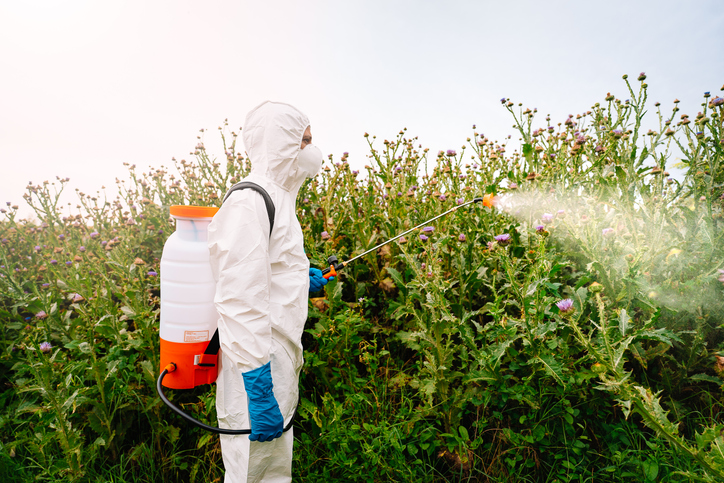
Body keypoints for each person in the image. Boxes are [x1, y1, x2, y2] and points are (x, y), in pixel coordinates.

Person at [207, 101, 330, 482]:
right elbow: (239, 301)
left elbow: (266, 273)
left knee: (273, 472)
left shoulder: (280, 199)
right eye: (304, 141)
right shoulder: (250, 201)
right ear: (279, 143)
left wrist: (297, 280)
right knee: (250, 471)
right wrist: (258, 388)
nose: (312, 150)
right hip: (254, 369)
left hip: (278, 358)